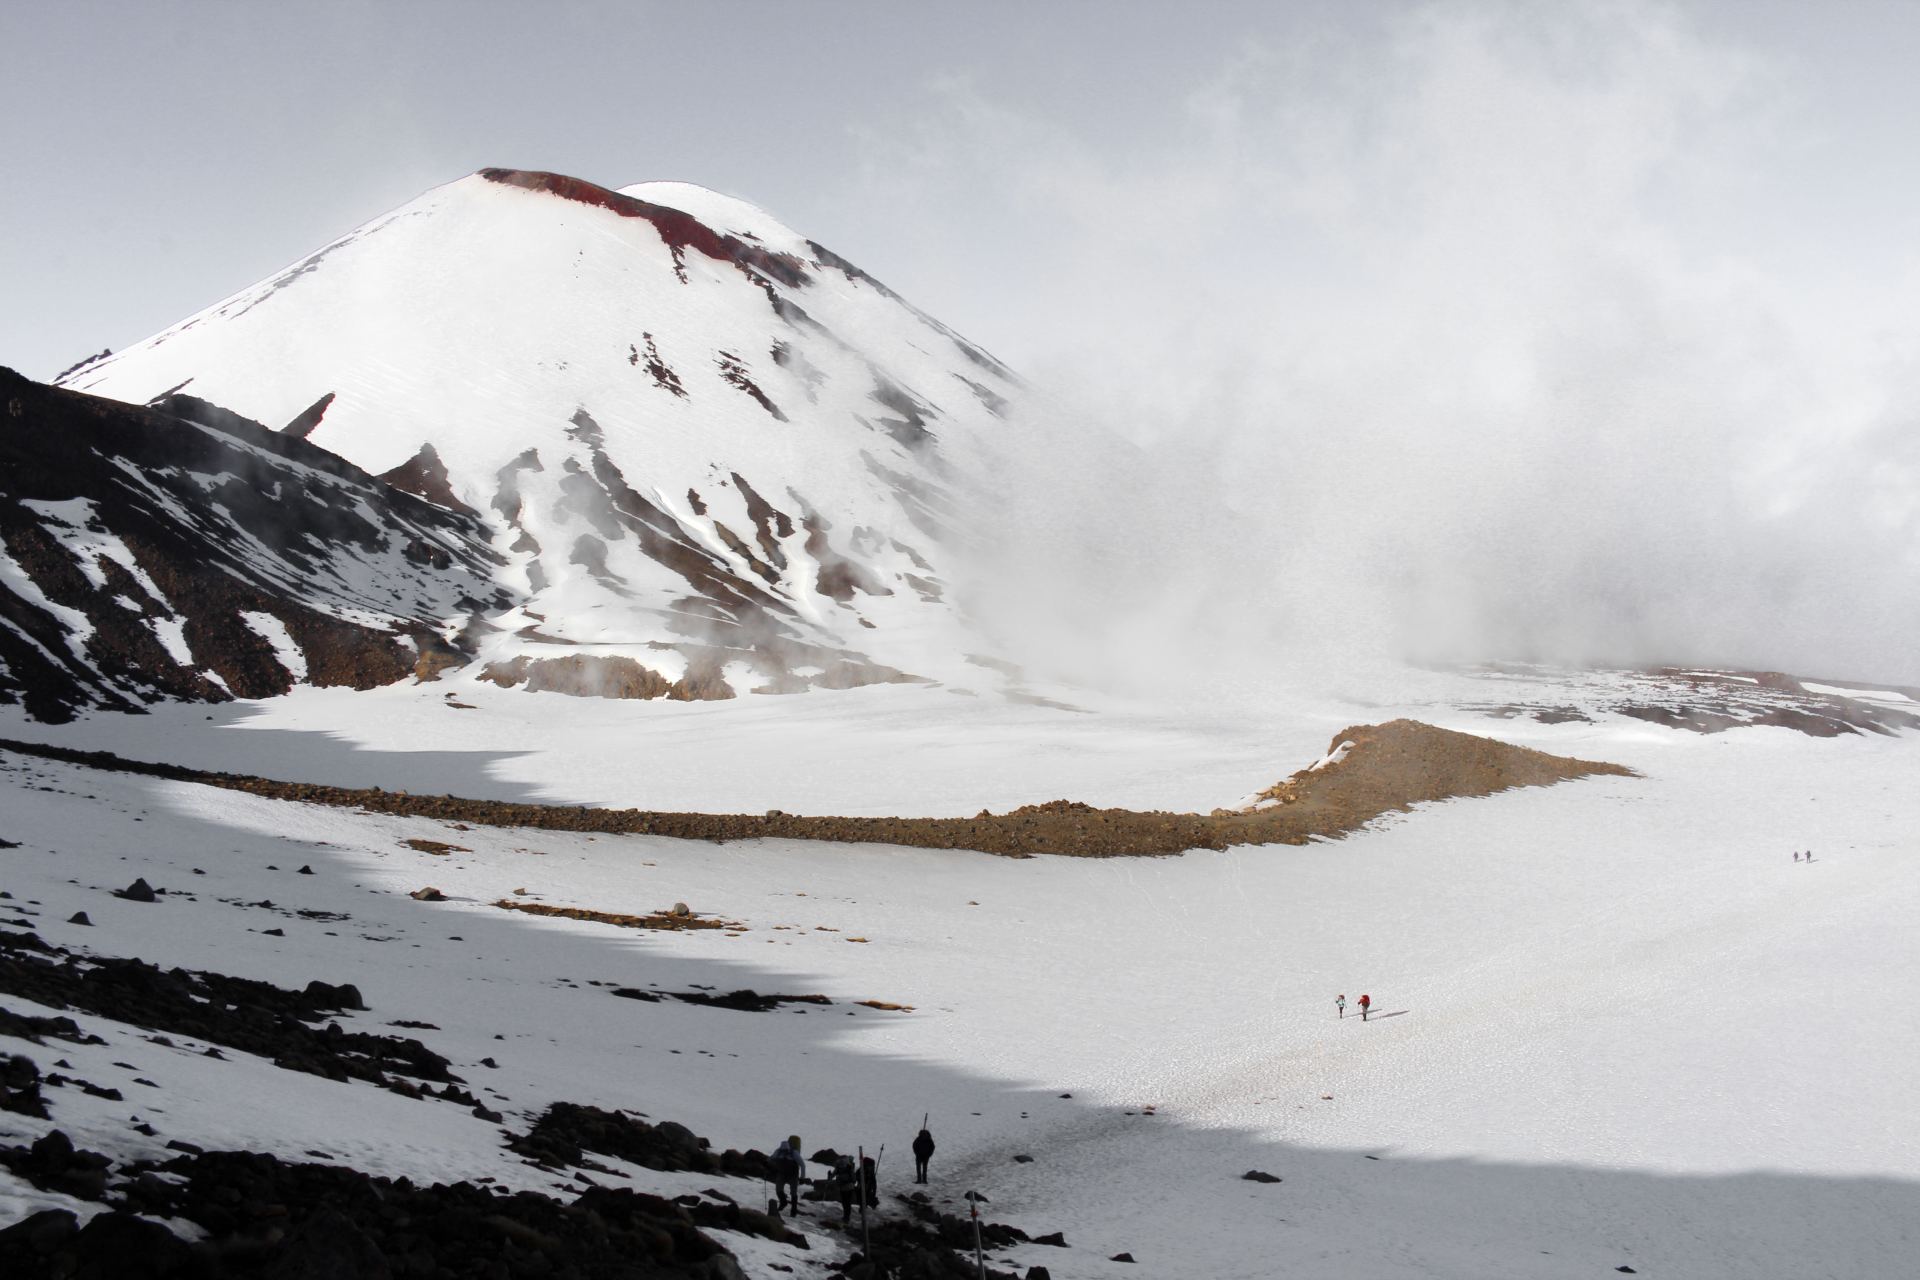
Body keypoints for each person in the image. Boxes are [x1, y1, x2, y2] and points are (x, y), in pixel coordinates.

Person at [771, 1136, 804, 1214]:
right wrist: (802, 1178)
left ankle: (793, 1210)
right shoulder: (780, 1152)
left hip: (791, 1174)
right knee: (782, 1190)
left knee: (791, 1192)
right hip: (785, 1174)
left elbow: (771, 1159)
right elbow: (802, 1165)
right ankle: (785, 1203)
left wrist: (802, 1177)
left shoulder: (782, 1152)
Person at [832, 1154, 858, 1224]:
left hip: (843, 1188)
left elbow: (833, 1175)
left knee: (844, 1203)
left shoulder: (838, 1166)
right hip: (850, 1187)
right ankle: (847, 1217)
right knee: (848, 1203)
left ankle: (845, 1217)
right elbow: (854, 1179)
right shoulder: (849, 1166)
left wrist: (830, 1176)